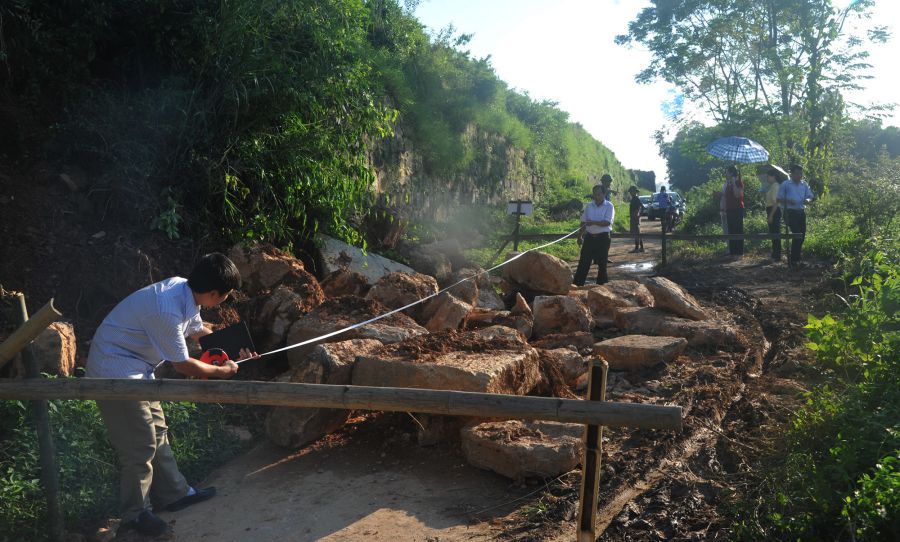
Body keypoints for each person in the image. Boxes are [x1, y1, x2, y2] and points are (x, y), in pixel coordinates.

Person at [86, 253, 257, 536]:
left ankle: (175, 494)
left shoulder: (183, 289)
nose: (225, 299)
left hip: (138, 368)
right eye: (226, 295)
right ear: (214, 293)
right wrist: (222, 372)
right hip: (115, 373)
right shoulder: (165, 309)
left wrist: (240, 346)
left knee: (157, 430)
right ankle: (135, 516)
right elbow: (182, 364)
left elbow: (198, 332)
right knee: (139, 444)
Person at [574, 184, 615, 285]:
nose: (597, 196)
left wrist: (593, 222)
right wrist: (579, 236)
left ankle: (602, 289)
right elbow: (583, 222)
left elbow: (607, 222)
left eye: (599, 194)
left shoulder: (609, 206)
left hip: (603, 238)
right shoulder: (589, 206)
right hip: (589, 238)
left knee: (602, 265)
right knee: (583, 264)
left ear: (604, 194)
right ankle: (576, 286)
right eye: (595, 194)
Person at [777, 164, 815, 268]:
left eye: (801, 173)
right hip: (789, 212)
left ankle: (796, 259)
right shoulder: (786, 184)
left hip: (801, 212)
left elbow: (811, 196)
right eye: (797, 173)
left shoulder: (804, 184)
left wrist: (807, 200)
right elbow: (778, 198)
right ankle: (794, 260)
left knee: (801, 236)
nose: (799, 175)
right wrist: (789, 201)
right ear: (792, 174)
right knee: (797, 234)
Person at [723, 165, 745, 257]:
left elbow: (737, 195)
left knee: (738, 230)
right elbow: (726, 197)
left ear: (731, 173)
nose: (725, 174)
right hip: (729, 209)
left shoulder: (739, 182)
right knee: (731, 230)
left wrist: (734, 183)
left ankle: (739, 252)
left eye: (727, 172)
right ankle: (733, 252)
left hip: (737, 209)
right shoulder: (727, 183)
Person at [764, 167, 784, 261]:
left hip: (774, 211)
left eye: (768, 176)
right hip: (771, 210)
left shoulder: (776, 186)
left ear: (773, 177)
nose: (767, 178)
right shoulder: (773, 186)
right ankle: (775, 254)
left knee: (775, 233)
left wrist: (771, 215)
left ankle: (777, 255)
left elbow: (776, 203)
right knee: (773, 233)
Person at [628, 186, 644, 252]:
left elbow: (642, 207)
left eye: (632, 191)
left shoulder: (636, 199)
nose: (631, 193)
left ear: (635, 192)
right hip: (633, 217)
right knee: (637, 232)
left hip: (635, 217)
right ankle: (641, 248)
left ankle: (637, 248)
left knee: (637, 233)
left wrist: (639, 215)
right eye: (630, 192)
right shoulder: (633, 199)